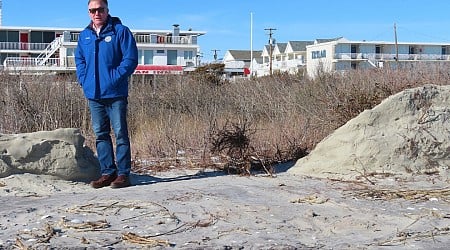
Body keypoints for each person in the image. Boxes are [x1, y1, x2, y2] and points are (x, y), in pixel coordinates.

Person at [75, 0, 138, 188]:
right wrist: (84, 81)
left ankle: (124, 174)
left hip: (115, 93)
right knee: (101, 134)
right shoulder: (85, 35)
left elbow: (130, 59)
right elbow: (80, 60)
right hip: (94, 95)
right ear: (88, 12)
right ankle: (107, 173)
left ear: (107, 10)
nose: (96, 13)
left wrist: (114, 78)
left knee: (120, 134)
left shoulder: (120, 31)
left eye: (100, 9)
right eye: (92, 10)